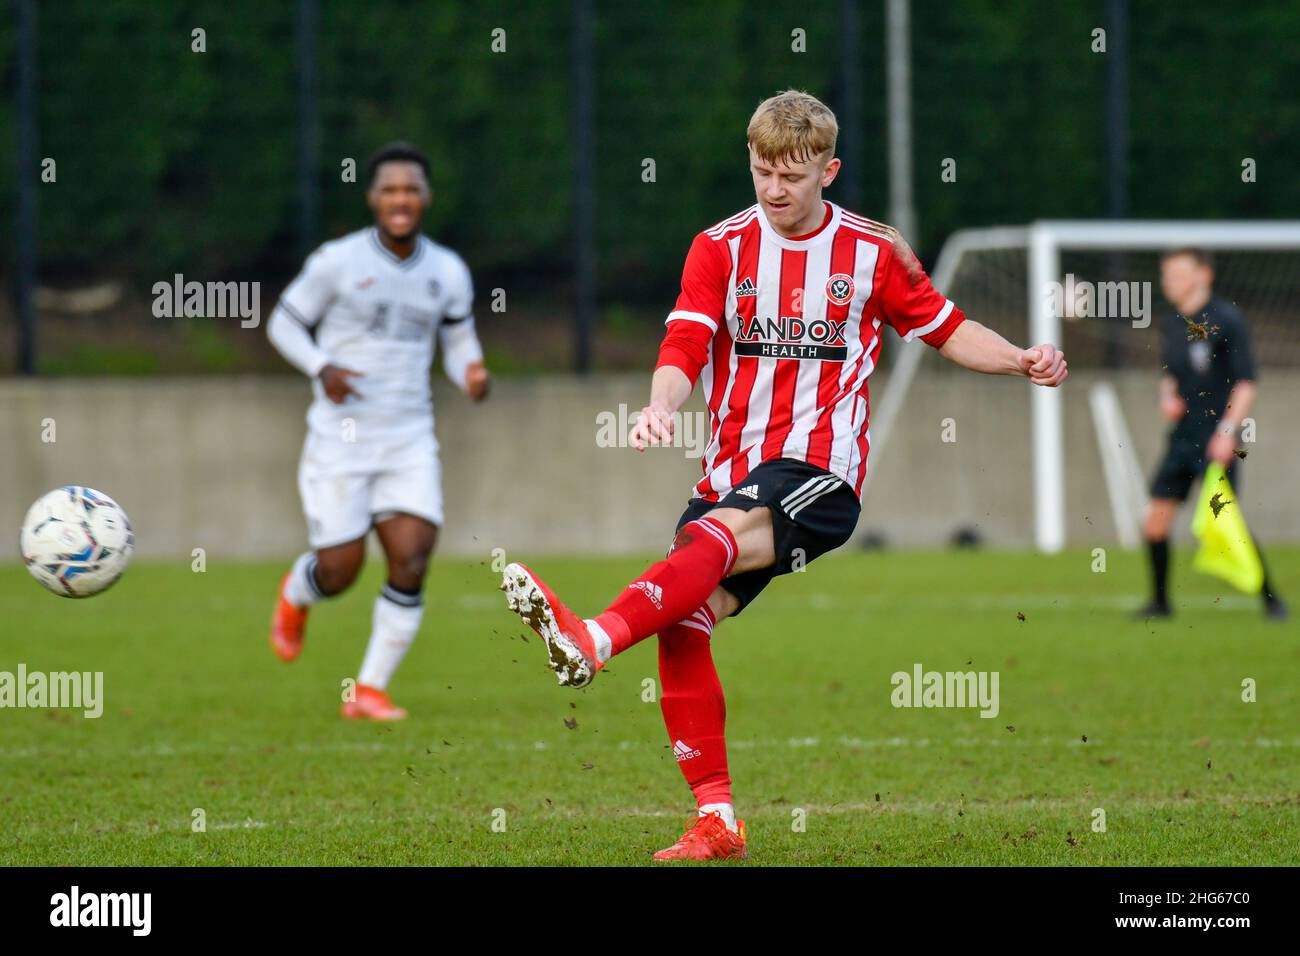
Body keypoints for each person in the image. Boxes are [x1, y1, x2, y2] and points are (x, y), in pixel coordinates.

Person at [499, 91, 1068, 860]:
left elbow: (946, 327)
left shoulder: (870, 253)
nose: (774, 189)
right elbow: (684, 344)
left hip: (821, 473)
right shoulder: (720, 247)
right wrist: (661, 405)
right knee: (683, 622)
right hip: (729, 473)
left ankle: (594, 638)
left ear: (828, 170)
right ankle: (719, 821)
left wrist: (1022, 358)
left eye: (792, 176)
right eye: (763, 170)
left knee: (714, 546)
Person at [266, 142, 490, 720]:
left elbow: (458, 344)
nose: (401, 199)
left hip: (410, 438)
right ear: (372, 197)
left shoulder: (447, 271)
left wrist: (470, 372)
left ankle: (368, 689)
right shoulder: (337, 262)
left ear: (426, 198)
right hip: (339, 439)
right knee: (338, 572)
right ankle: (296, 595)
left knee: (411, 558)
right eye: (390, 189)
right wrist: (322, 367)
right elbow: (283, 324)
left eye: (411, 189)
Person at [1137, 247, 1286, 620]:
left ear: (1204, 275)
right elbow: (1171, 374)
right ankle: (1160, 603)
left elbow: (1246, 383)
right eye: (1166, 273)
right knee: (1155, 520)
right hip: (1182, 437)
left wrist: (1226, 433)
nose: (1169, 280)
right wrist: (1167, 396)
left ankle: (1271, 600)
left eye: (1177, 272)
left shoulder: (1227, 319)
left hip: (1217, 438)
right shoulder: (1172, 322)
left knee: (1222, 523)